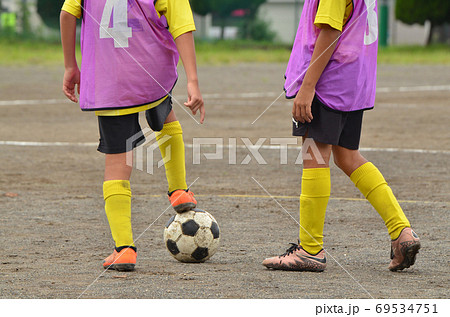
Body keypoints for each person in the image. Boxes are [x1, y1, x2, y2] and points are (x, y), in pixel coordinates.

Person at [262, 0, 420, 272]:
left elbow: (331, 30)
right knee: (348, 156)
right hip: (354, 79)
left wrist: (308, 87)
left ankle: (310, 249)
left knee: (315, 156)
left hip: (329, 81)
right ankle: (402, 232)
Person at [60, 0, 205, 271]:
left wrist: (71, 65)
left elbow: (68, 14)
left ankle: (124, 249)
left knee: (117, 162)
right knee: (166, 117)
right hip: (151, 73)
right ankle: (179, 191)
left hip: (109, 80)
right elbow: (182, 25)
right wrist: (193, 81)